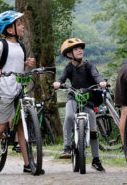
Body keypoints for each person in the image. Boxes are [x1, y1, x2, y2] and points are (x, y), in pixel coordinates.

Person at [0, 10, 38, 176]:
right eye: (19, 24)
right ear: (10, 29)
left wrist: (26, 63)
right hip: (4, 90)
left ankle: (28, 164)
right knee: (0, 127)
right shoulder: (1, 45)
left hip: (19, 90)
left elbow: (15, 64)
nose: (22, 27)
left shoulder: (20, 46)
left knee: (21, 127)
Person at [53, 38, 106, 172]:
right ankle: (66, 148)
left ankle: (96, 160)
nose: (79, 50)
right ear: (69, 54)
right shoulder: (69, 67)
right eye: (76, 49)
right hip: (73, 96)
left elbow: (96, 76)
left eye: (81, 48)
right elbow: (62, 78)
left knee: (93, 130)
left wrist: (101, 82)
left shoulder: (89, 65)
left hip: (88, 98)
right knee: (70, 116)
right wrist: (58, 83)